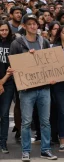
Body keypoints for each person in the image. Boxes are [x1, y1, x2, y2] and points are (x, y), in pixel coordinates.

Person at [9, 14, 57, 161]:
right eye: (29, 24)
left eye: (35, 24)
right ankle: (26, 151)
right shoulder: (17, 43)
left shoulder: (44, 42)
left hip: (44, 88)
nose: (33, 26)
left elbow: (51, 63)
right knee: (26, 122)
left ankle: (46, 149)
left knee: (45, 121)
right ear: (24, 26)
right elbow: (13, 66)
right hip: (27, 90)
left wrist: (52, 77)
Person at [0, 20, 15, 154]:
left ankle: (3, 142)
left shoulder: (13, 44)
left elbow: (15, 66)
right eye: (1, 30)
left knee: (4, 114)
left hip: (9, 84)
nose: (4, 32)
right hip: (1, 82)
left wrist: (3, 82)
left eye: (6, 30)